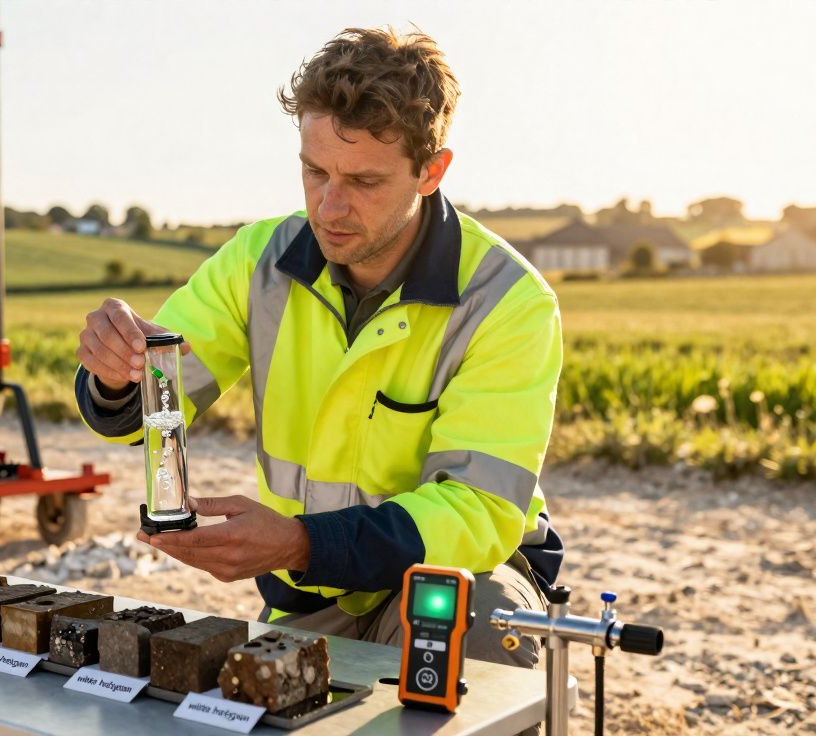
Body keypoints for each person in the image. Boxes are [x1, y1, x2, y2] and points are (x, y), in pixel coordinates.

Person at [73, 27, 563, 671]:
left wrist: (300, 542)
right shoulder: (258, 261)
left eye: (363, 180)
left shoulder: (507, 300)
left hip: (455, 576)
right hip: (309, 590)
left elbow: (475, 514)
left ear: (431, 171)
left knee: (467, 643)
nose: (329, 206)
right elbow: (153, 401)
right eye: (315, 170)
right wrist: (114, 376)